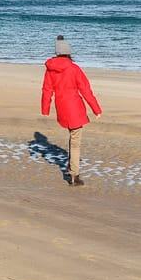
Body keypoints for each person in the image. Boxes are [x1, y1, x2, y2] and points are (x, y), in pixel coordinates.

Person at [40, 35, 101, 186]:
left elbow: (47, 90)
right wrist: (96, 109)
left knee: (72, 137)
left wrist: (45, 108)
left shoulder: (51, 69)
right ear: (69, 52)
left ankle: (70, 167)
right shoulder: (74, 68)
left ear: (56, 53)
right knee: (75, 141)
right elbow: (85, 90)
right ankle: (74, 175)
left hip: (61, 107)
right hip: (74, 108)